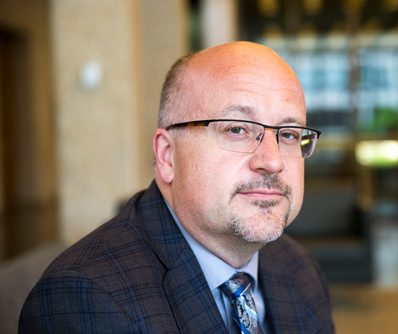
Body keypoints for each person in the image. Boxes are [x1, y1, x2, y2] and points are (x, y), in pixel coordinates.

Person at [19, 41, 335, 333]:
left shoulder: (299, 267)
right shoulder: (84, 298)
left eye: (290, 135)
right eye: (237, 129)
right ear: (168, 156)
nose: (273, 161)